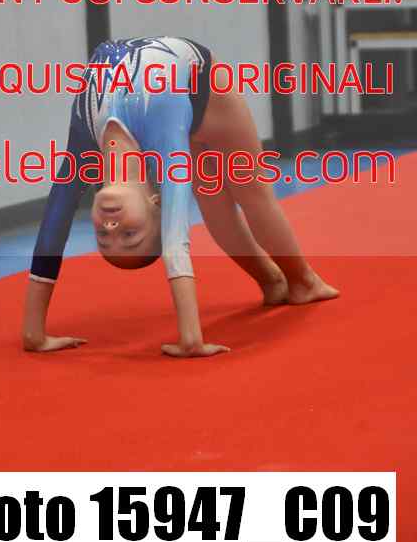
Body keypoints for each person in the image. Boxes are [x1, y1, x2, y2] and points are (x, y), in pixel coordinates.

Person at [23, 37, 339, 358]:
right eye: (129, 235)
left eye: (103, 237)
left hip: (189, 90)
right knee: (230, 196)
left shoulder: (84, 140)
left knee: (246, 192)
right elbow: (176, 239)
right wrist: (191, 338)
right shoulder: (162, 134)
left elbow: (53, 229)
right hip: (203, 89)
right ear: (155, 204)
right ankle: (290, 282)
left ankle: (296, 281)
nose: (111, 226)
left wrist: (34, 333)